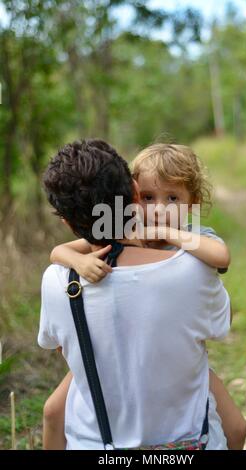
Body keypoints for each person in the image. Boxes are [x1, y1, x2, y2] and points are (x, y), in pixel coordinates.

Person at [39, 139, 232, 450]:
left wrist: (168, 235)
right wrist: (78, 260)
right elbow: (59, 251)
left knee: (236, 424)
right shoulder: (129, 228)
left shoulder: (190, 241)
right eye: (148, 197)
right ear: (133, 194)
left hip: (159, 367)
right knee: (51, 410)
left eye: (172, 198)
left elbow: (221, 255)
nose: (158, 209)